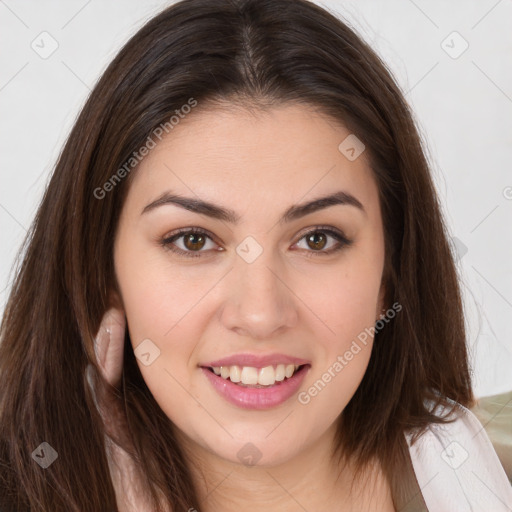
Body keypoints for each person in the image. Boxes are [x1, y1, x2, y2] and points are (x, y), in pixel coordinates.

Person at [0, 0, 510, 510]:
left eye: (318, 239)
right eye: (193, 240)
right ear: (103, 273)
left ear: (389, 273)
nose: (261, 314)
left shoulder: (481, 477)